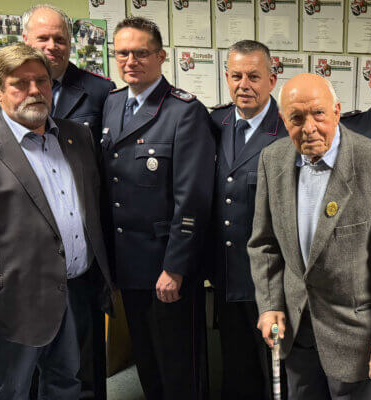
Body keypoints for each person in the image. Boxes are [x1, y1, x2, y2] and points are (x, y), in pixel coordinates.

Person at [0, 43, 113, 400]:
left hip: (76, 294)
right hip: (13, 305)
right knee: (12, 392)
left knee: (67, 386)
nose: (34, 91)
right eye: (20, 83)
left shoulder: (77, 137)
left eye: (42, 81)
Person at [248, 73, 371, 400]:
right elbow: (263, 244)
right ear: (283, 120)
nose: (309, 128)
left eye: (318, 114)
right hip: (295, 331)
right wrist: (269, 305)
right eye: (297, 118)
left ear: (337, 111)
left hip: (356, 338)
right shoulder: (272, 159)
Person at [100, 17, 214, 399]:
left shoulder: (184, 111)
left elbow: (192, 198)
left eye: (141, 53)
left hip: (167, 263)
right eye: (122, 53)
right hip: (128, 261)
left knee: (179, 363)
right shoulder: (112, 103)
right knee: (147, 359)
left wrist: (175, 267)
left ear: (162, 56)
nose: (130, 61)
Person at [208, 39, 288, 400]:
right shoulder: (214, 123)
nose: (244, 85)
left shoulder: (288, 130)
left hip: (272, 280)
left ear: (272, 80)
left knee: (276, 373)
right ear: (227, 78)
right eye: (236, 76)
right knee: (235, 367)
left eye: (254, 77)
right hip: (226, 273)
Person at [0, 5, 115, 143]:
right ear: (26, 40)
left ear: (69, 42)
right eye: (43, 38)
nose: (51, 46)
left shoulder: (101, 89)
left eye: (60, 39)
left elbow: (106, 149)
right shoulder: (1, 84)